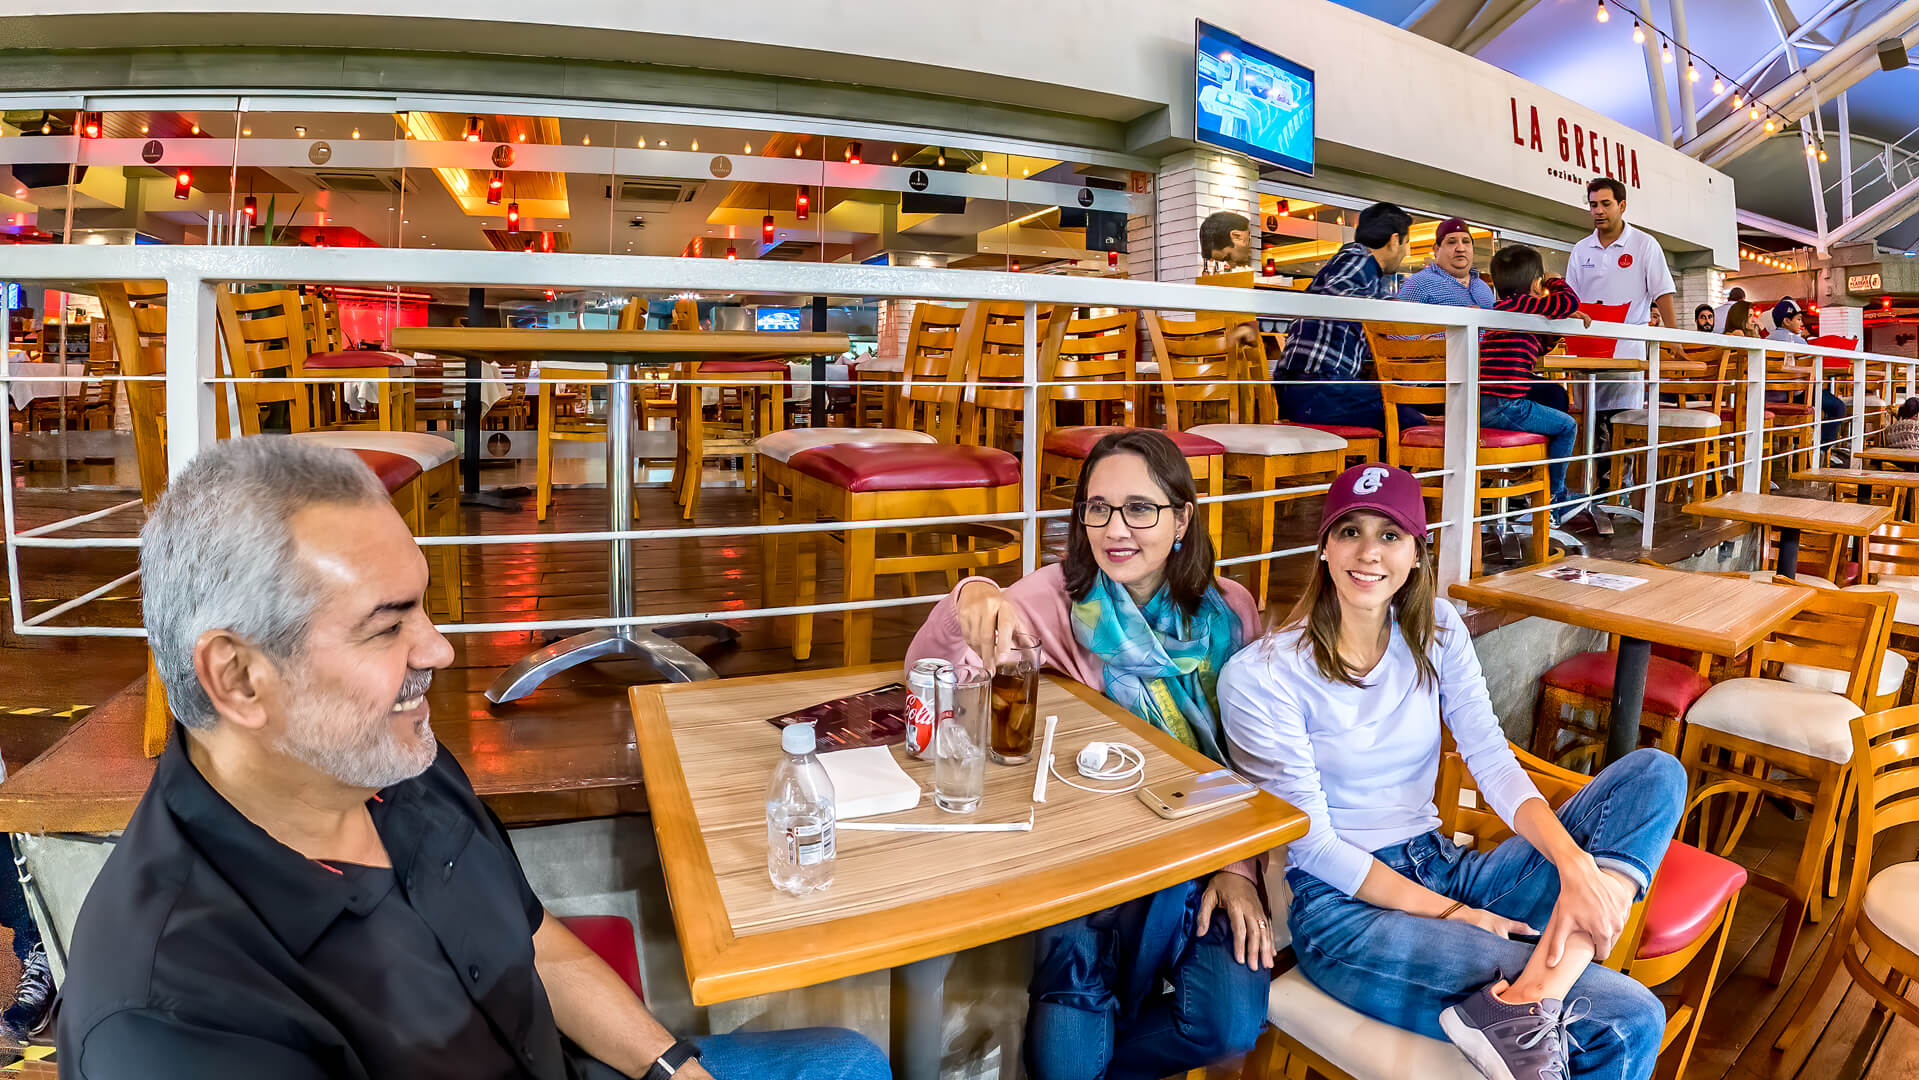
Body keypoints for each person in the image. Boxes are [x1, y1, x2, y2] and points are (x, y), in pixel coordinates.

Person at [57, 437, 890, 1080]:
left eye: (421, 606)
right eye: (388, 626)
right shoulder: (172, 1013)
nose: (442, 651)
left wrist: (672, 1067)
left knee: (845, 1059)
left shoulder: (388, 763)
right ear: (238, 677)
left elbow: (530, 940)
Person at [1219, 463, 1686, 1080]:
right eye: (1350, 531)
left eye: (1390, 536)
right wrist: (1459, 916)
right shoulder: (1264, 675)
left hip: (1442, 864)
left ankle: (1526, 1001)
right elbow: (1318, 847)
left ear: (1417, 552)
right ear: (1323, 547)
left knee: (1655, 773)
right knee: (1628, 1018)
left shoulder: (1437, 631)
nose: (1368, 553)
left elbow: (1492, 759)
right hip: (1348, 913)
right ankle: (1536, 1004)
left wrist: (1577, 871)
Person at [906, 429, 1269, 1080]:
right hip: (1088, 882)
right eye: (1096, 508)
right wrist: (968, 599)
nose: (1114, 528)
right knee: (1066, 1061)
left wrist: (1238, 869)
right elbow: (936, 680)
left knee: (1226, 1024)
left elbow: (1248, 758)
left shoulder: (1231, 613)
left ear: (1182, 517)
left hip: (1199, 858)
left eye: (1138, 508)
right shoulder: (1050, 600)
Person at [1273, 202, 1425, 434]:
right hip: (1315, 391)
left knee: (1400, 407)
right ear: (1394, 240)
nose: (1406, 252)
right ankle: (1381, 471)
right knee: (1407, 418)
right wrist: (1408, 313)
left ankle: (1369, 467)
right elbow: (1340, 296)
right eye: (1407, 244)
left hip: (1302, 389)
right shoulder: (1359, 261)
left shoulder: (1352, 265)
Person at [1565, 178, 1676, 491]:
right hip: (1586, 350)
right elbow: (1571, 298)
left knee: (1621, 422)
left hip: (1626, 349)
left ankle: (1619, 490)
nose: (1598, 211)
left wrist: (1675, 337)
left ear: (1622, 206)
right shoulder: (1581, 248)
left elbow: (1663, 292)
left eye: (1605, 204)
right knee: (1591, 421)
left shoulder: (1643, 244)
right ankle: (1590, 492)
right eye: (1593, 205)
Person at [1480, 245, 1591, 517]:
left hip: (1483, 403)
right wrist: (1554, 280)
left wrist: (1554, 324)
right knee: (1567, 426)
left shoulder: (1504, 310)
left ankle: (1542, 492)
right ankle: (1554, 498)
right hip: (1505, 405)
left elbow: (1537, 348)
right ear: (1535, 284)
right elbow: (1569, 303)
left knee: (1553, 412)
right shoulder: (1523, 305)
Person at [1764, 298, 1848, 458]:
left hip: (1769, 397)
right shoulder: (1799, 341)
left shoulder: (1766, 341)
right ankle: (1820, 450)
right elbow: (1812, 372)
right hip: (1795, 396)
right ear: (1786, 321)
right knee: (1838, 407)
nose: (1801, 322)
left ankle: (1797, 443)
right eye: (1798, 319)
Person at [1393, 218, 1494, 310]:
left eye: (1466, 241)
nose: (1461, 249)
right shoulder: (1418, 284)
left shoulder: (1483, 287)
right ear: (1437, 249)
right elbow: (1398, 328)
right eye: (1451, 242)